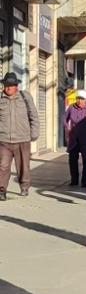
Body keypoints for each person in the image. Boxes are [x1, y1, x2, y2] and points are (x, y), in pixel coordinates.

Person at [0, 72, 39, 200]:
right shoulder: (1, 98)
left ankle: (24, 187)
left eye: (10, 85)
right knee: (3, 166)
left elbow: (33, 115)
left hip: (23, 139)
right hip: (4, 140)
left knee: (23, 166)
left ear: (16, 86)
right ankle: (2, 190)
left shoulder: (25, 97)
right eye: (6, 85)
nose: (7, 87)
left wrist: (34, 132)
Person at [64, 89, 86, 187]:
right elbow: (64, 118)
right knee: (72, 159)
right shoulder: (71, 107)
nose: (79, 101)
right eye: (78, 99)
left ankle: (85, 182)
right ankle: (74, 180)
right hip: (74, 138)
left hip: (85, 138)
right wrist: (67, 128)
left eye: (82, 99)